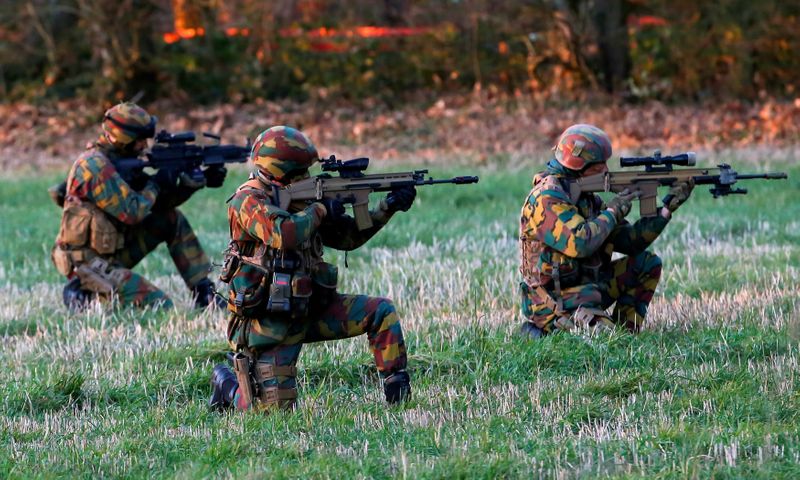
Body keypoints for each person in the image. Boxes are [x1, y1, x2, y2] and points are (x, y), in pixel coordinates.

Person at [209, 126, 415, 412]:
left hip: (310, 307)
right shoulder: (248, 200)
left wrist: (386, 208)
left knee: (381, 312)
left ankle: (398, 397)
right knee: (271, 415)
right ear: (279, 170)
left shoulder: (306, 199)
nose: (306, 178)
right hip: (268, 323)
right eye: (299, 172)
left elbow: (347, 238)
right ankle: (228, 386)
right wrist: (320, 210)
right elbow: (284, 233)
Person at [518, 124, 693, 337]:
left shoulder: (588, 199)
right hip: (555, 302)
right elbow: (580, 242)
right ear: (578, 164)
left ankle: (626, 333)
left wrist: (666, 209)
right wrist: (613, 212)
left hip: (588, 291)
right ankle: (544, 331)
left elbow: (630, 242)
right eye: (599, 165)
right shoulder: (546, 199)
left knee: (647, 263)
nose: (605, 170)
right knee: (608, 341)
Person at [50, 102, 227, 310]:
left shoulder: (122, 160)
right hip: (87, 264)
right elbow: (133, 212)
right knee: (160, 306)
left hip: (113, 251)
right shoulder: (94, 167)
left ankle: (204, 293)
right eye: (139, 140)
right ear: (121, 139)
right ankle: (83, 295)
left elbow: (157, 206)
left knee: (171, 219)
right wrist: (156, 183)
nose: (144, 145)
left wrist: (193, 185)